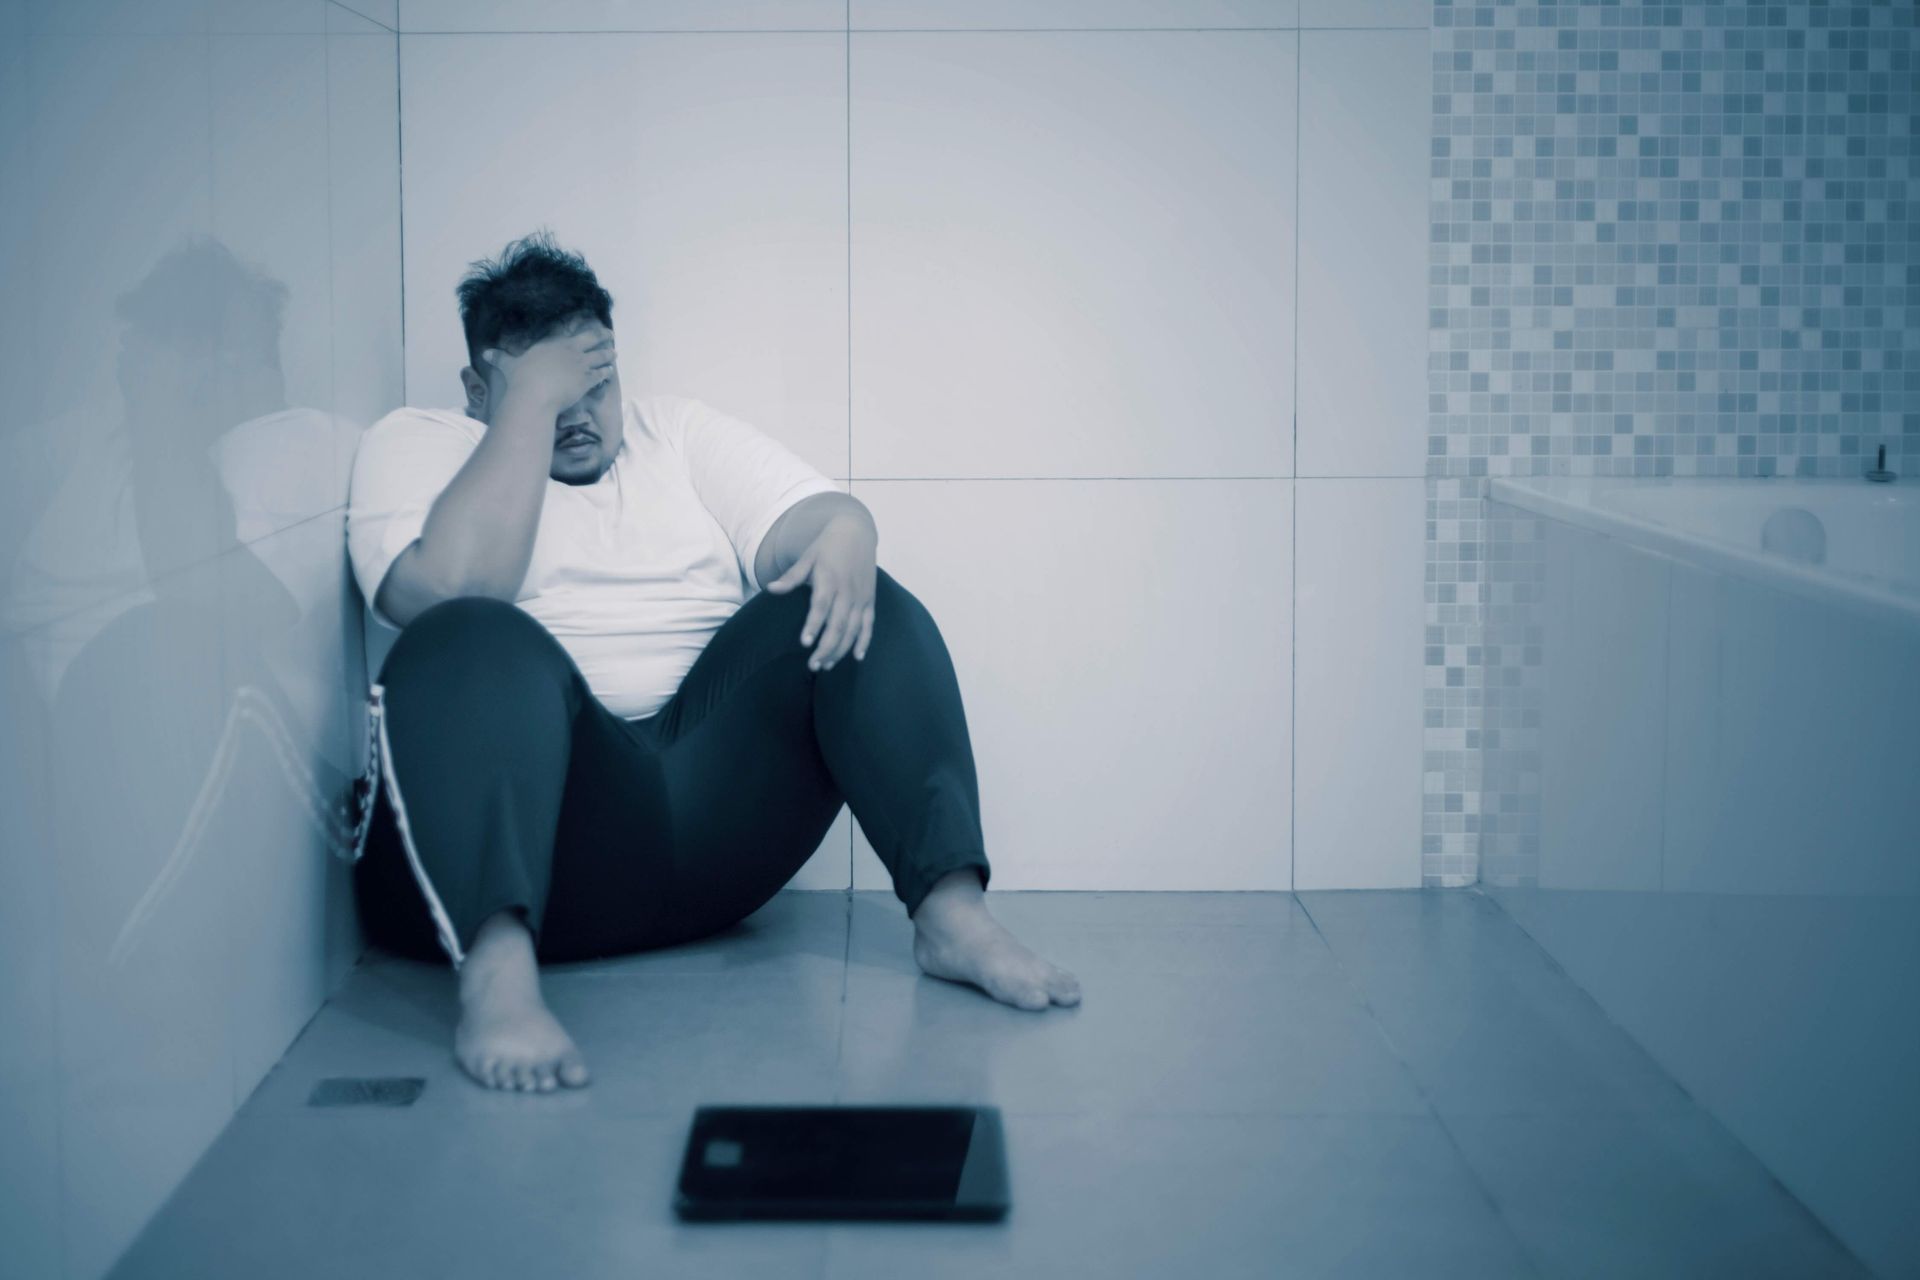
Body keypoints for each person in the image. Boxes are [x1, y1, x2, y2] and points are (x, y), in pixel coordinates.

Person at [345, 232, 1081, 1094]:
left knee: (848, 588)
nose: (577, 413)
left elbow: (819, 519)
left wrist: (849, 532)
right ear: (478, 390)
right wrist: (526, 409)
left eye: (594, 385)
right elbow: (450, 589)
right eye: (548, 393)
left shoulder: (677, 434)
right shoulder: (419, 443)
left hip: (706, 820)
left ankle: (953, 916)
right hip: (545, 831)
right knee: (474, 632)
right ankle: (499, 982)